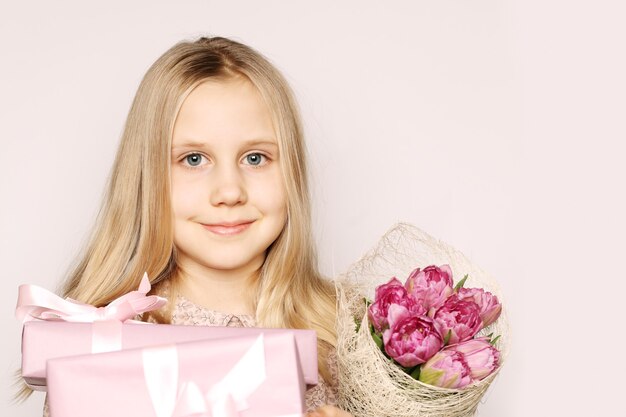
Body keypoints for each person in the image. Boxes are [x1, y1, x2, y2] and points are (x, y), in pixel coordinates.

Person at [40, 36, 352, 417]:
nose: (229, 191)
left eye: (256, 158)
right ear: (147, 178)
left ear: (293, 171)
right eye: (193, 159)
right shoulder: (105, 340)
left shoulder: (350, 330)